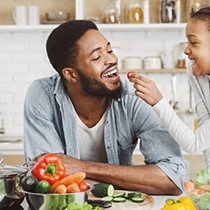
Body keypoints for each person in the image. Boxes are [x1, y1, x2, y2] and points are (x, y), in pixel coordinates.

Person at [23, 20, 188, 195]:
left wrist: (83, 168)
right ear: (71, 74)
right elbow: (48, 182)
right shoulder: (42, 95)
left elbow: (174, 178)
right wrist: (130, 180)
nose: (112, 60)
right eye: (96, 57)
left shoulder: (135, 98)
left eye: (109, 51)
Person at [128, 7, 210, 169]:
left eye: (193, 42)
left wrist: (158, 102)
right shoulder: (195, 71)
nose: (186, 50)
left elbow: (194, 145)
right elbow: (204, 123)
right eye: (187, 42)